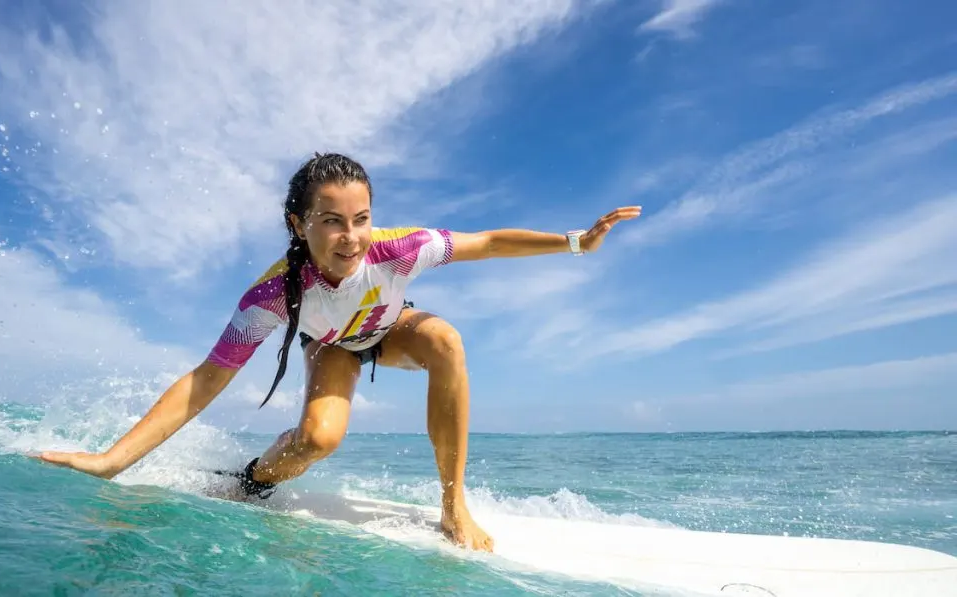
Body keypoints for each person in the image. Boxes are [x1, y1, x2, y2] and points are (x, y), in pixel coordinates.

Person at [36, 152, 642, 552]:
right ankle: (250, 481)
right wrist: (115, 460)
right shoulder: (273, 294)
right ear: (299, 224)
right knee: (320, 440)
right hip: (332, 347)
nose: (349, 236)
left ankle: (453, 503)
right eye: (330, 220)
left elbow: (486, 241)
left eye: (360, 218)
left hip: (391, 328)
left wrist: (575, 242)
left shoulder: (401, 248)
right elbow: (207, 378)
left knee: (445, 339)